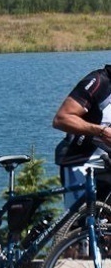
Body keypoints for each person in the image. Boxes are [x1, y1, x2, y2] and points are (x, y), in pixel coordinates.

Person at [53, 63, 111, 207]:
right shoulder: (99, 81)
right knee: (79, 224)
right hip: (82, 161)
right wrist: (101, 131)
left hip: (108, 164)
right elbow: (62, 118)